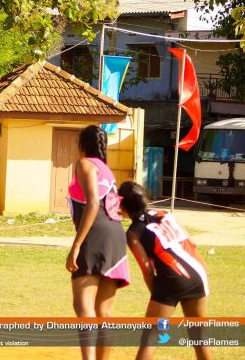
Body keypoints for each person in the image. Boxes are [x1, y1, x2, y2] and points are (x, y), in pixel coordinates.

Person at [118, 181, 211, 360]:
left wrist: (159, 297)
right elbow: (192, 243)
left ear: (123, 205)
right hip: (198, 273)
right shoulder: (164, 213)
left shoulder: (133, 233)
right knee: (199, 337)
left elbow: (147, 270)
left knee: (149, 340)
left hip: (172, 278)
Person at [66, 125, 130, 360]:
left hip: (96, 235)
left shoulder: (85, 164)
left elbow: (93, 203)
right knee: (103, 312)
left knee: (83, 306)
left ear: (82, 146)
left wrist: (76, 246)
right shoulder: (107, 171)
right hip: (116, 236)